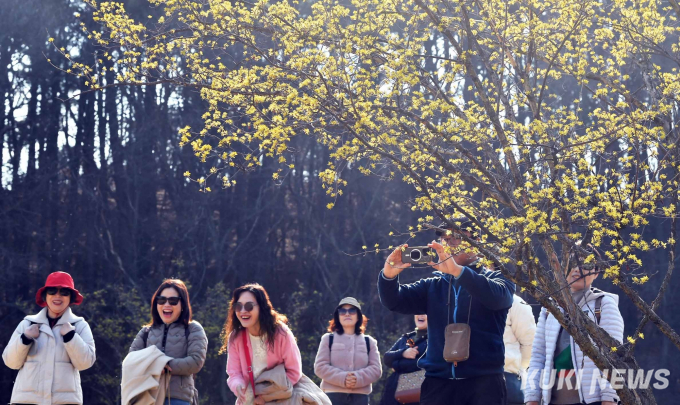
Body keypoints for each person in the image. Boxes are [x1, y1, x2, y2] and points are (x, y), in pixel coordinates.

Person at [378, 218, 515, 405]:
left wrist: (459, 272)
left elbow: (500, 298)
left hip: (485, 383)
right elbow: (395, 302)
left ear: (477, 242)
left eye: (457, 236)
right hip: (437, 383)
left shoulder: (496, 278)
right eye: (444, 237)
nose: (449, 242)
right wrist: (388, 276)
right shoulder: (432, 285)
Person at [524, 243, 623, 405]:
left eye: (585, 265)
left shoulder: (604, 304)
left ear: (596, 272)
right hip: (553, 400)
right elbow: (538, 356)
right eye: (572, 263)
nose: (577, 269)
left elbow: (614, 356)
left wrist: (609, 397)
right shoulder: (550, 307)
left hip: (593, 400)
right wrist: (532, 397)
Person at [2, 271, 96, 405]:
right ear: (45, 296)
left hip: (65, 402)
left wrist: (71, 337)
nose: (58, 296)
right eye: (52, 291)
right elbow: (11, 362)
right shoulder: (27, 324)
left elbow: (85, 363)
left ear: (71, 298)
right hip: (26, 401)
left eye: (64, 292)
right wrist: (25, 338)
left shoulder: (79, 325)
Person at [129, 279, 208, 405]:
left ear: (183, 304)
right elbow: (131, 360)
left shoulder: (193, 329)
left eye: (173, 301)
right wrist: (153, 365)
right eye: (161, 300)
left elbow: (195, 361)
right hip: (147, 398)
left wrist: (163, 364)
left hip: (179, 399)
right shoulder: (145, 332)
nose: (167, 304)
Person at [224, 283, 303, 405]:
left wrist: (267, 397)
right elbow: (234, 373)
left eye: (249, 306)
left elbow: (294, 372)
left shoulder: (282, 333)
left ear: (261, 307)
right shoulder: (235, 337)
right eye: (238, 306)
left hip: (280, 400)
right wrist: (238, 385)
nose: (243, 311)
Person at [314, 297, 382, 405]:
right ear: (338, 316)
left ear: (358, 316)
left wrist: (357, 378)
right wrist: (343, 378)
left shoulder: (370, 341)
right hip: (332, 396)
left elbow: (376, 370)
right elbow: (320, 367)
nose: (347, 314)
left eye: (352, 310)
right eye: (342, 311)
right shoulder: (328, 339)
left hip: (360, 398)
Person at [380, 315, 428, 405]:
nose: (420, 315)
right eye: (418, 311)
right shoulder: (407, 337)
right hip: (393, 394)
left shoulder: (435, 339)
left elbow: (424, 363)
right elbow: (386, 358)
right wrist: (403, 353)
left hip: (417, 396)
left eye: (425, 312)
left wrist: (396, 364)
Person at [503, 295, 536, 405]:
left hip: (508, 378)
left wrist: (517, 366)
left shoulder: (515, 302)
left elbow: (529, 344)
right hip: (463, 381)